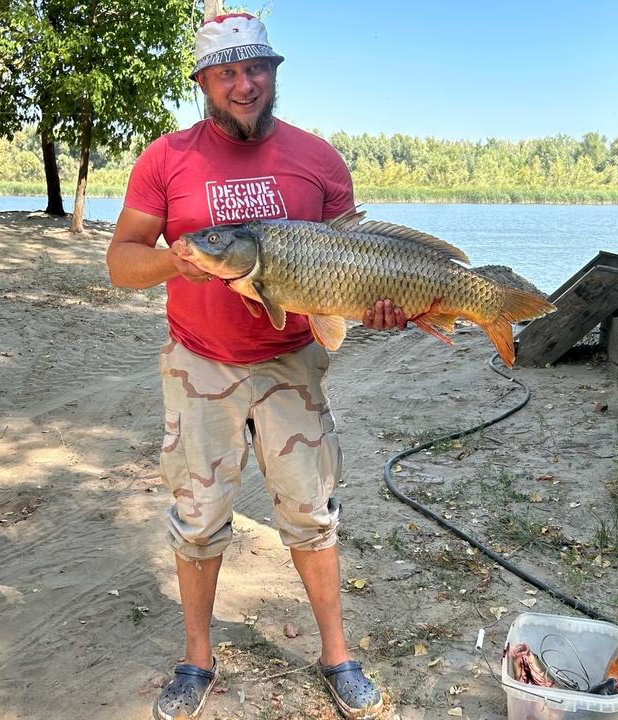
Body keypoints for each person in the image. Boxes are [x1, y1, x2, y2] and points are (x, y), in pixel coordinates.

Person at [106, 13, 403, 720]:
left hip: (290, 364)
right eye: (228, 72)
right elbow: (121, 263)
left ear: (274, 73)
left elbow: (353, 265)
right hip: (198, 365)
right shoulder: (166, 159)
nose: (246, 85)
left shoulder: (319, 161)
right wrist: (174, 259)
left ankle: (337, 655)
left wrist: (384, 308)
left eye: (257, 69)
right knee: (198, 517)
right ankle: (196, 659)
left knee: (311, 514)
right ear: (204, 82)